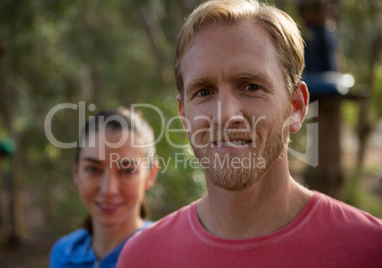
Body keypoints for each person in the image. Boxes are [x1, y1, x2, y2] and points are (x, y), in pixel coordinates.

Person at [117, 0, 382, 267]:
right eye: (204, 91)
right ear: (184, 115)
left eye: (251, 86)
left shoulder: (369, 248)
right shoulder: (143, 256)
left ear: (296, 107)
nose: (225, 115)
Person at [50, 107, 158, 267]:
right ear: (76, 171)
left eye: (127, 170)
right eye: (93, 169)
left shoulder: (166, 254)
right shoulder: (64, 254)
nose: (108, 190)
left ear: (150, 175)